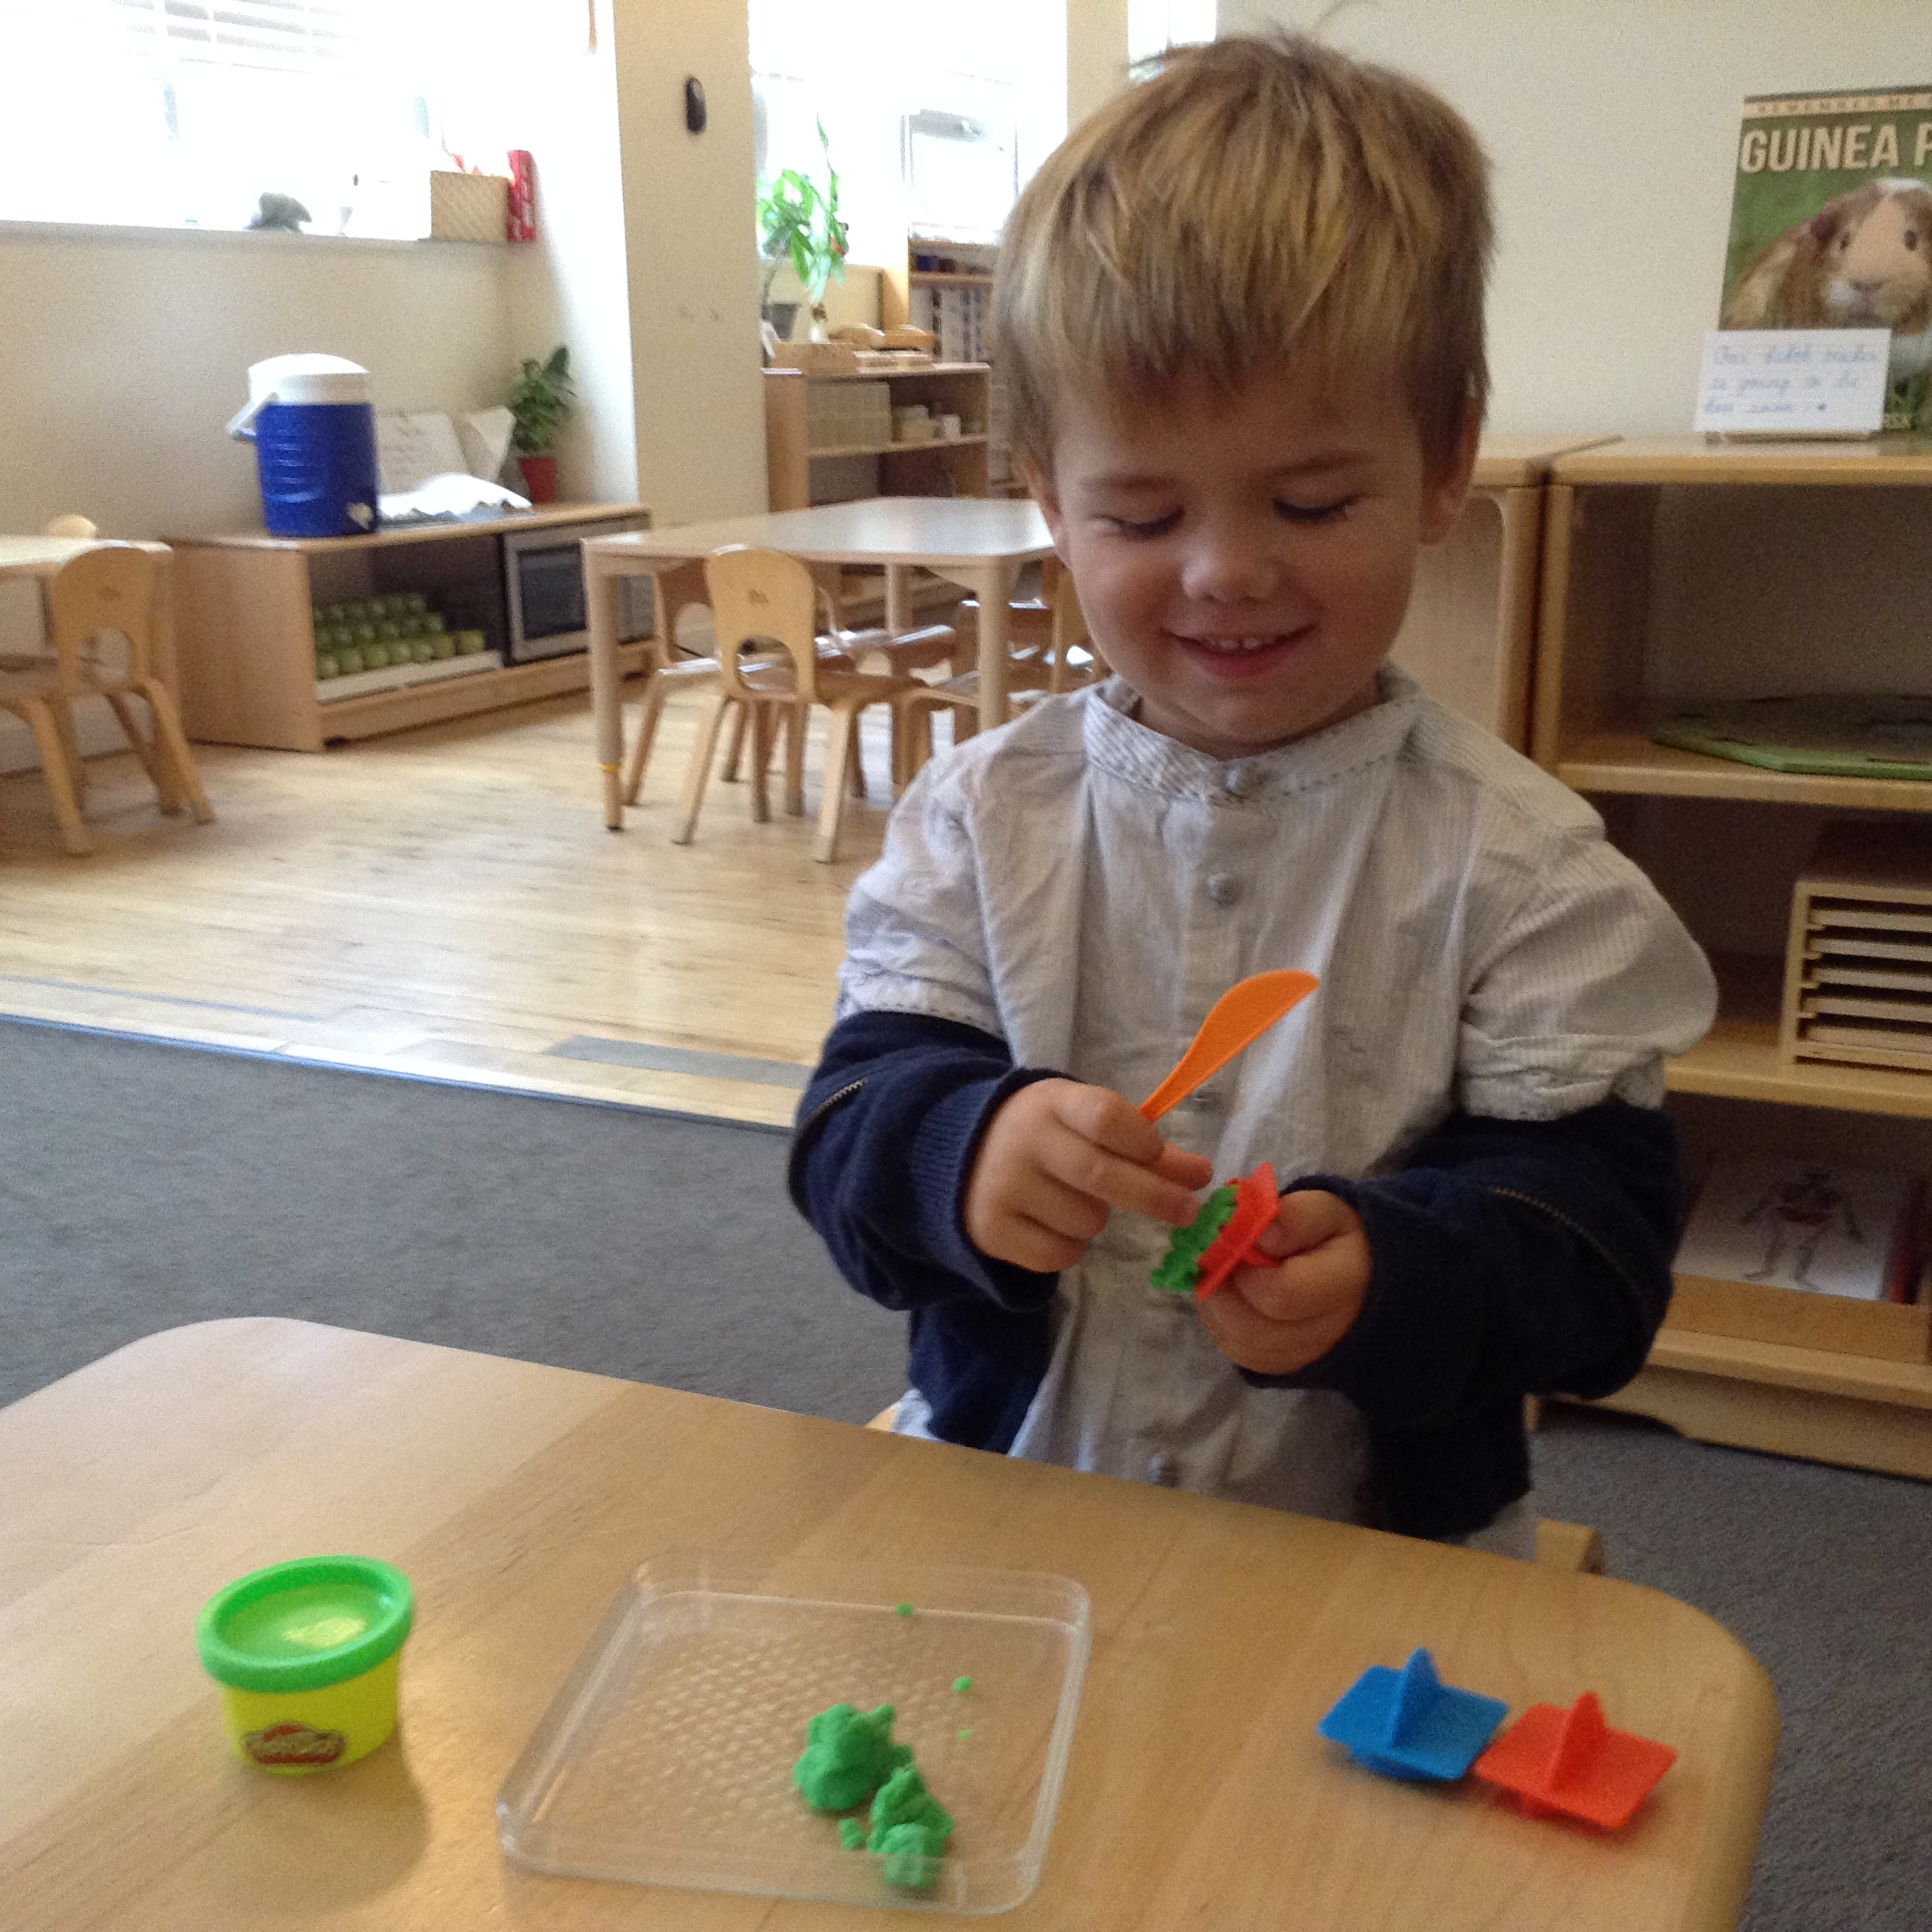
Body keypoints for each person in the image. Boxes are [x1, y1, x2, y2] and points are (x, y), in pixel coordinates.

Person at [787, 32, 1715, 1541]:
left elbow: (1599, 1270)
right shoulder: (977, 822)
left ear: (1440, 465)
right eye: (1142, 513)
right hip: (1017, 1493)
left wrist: (1399, 1270)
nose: (1226, 570)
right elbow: (846, 1142)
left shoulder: (1530, 876)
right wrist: (963, 1154)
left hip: (1370, 1553)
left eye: (1311, 500)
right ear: (1047, 501)